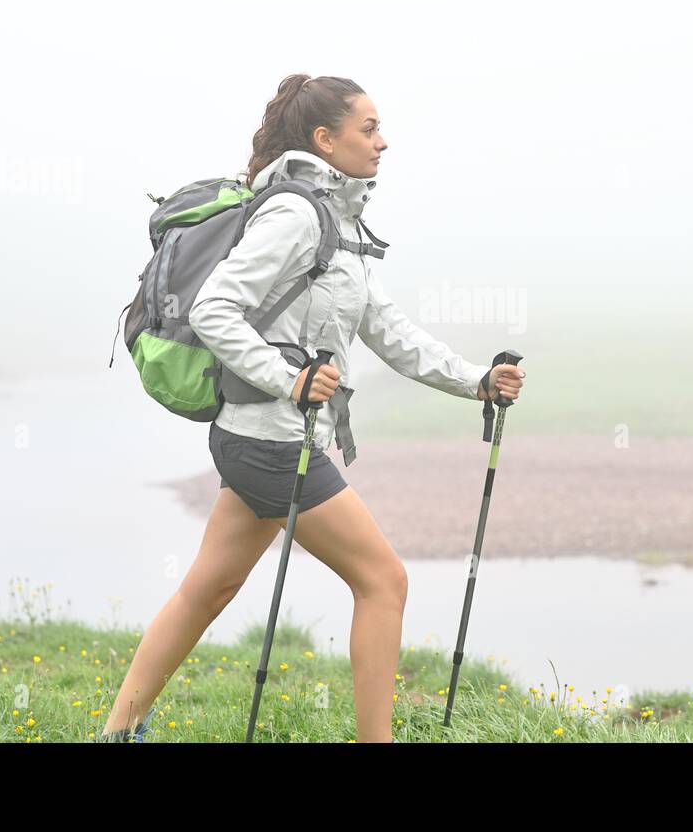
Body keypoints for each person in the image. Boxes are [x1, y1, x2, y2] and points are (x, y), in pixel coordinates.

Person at [100, 73, 527, 743]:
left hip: (260, 438)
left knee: (206, 590)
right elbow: (215, 308)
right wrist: (288, 381)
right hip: (271, 441)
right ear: (326, 140)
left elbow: (389, 331)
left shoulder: (340, 222)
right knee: (384, 580)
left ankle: (114, 732)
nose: (383, 143)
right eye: (368, 129)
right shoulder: (295, 214)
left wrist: (476, 379)